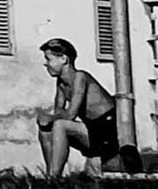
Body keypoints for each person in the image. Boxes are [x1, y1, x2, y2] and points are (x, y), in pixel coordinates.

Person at [36, 38, 120, 177]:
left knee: (60, 125)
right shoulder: (61, 84)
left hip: (107, 132)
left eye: (48, 59)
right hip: (93, 131)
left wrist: (51, 117)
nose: (46, 63)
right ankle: (50, 175)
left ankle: (54, 177)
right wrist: (46, 120)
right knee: (46, 128)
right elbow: (59, 111)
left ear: (63, 59)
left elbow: (70, 115)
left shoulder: (80, 77)